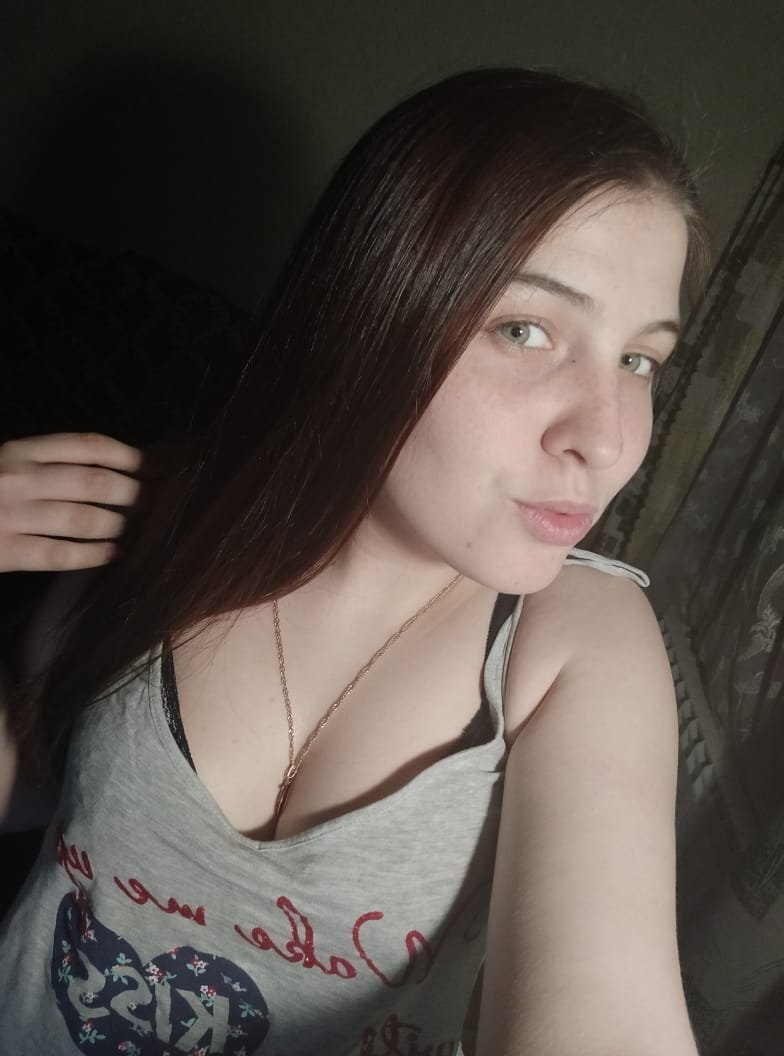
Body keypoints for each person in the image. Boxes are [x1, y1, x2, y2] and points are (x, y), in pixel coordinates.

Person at [0, 68, 708, 1055]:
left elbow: (608, 1011)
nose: (608, 438)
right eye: (525, 330)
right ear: (372, 310)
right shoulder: (168, 510)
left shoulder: (575, 645)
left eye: (639, 360)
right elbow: (31, 779)